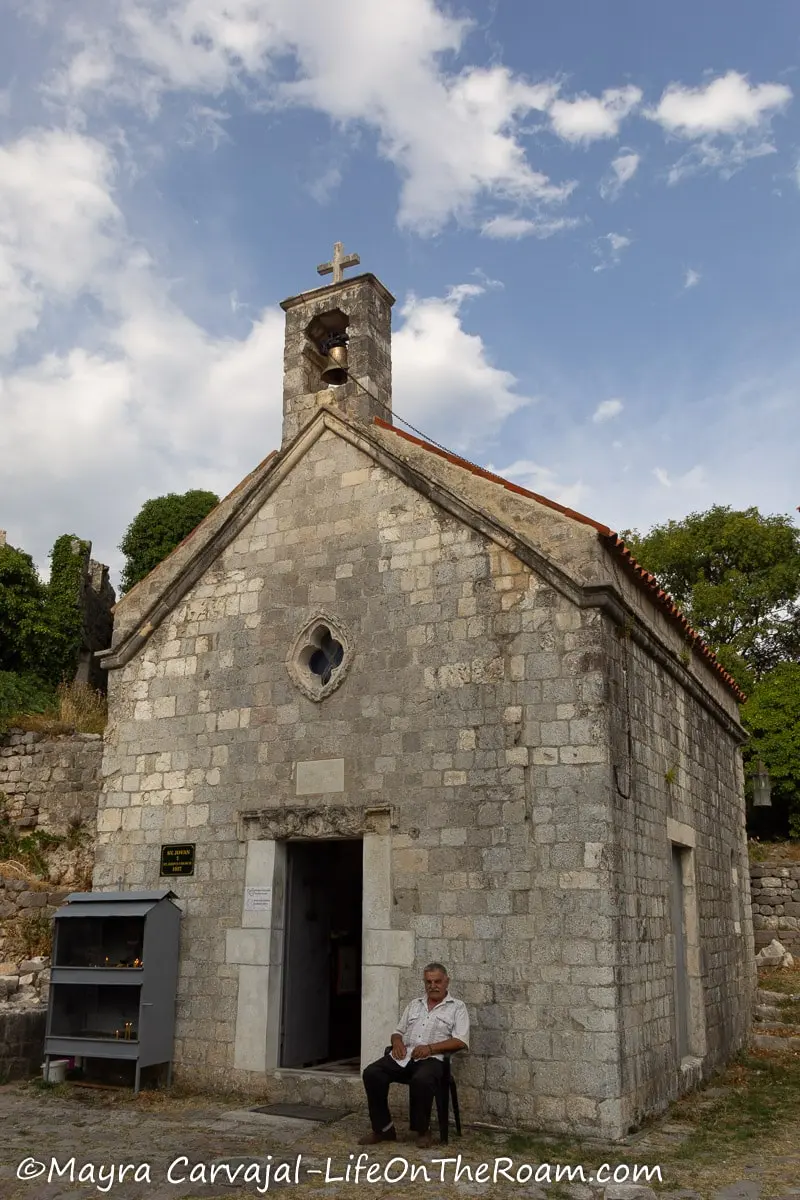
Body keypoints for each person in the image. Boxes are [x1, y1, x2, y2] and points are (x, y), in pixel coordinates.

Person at [359, 962, 469, 1149]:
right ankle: (384, 1129)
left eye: (437, 981)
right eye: (428, 981)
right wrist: (397, 1042)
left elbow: (461, 1041)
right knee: (372, 1073)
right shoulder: (414, 1004)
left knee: (422, 1079)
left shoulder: (457, 1007)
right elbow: (397, 1031)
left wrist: (430, 1048)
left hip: (433, 1060)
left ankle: (422, 1130)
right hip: (405, 1057)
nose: (432, 986)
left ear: (446, 982)